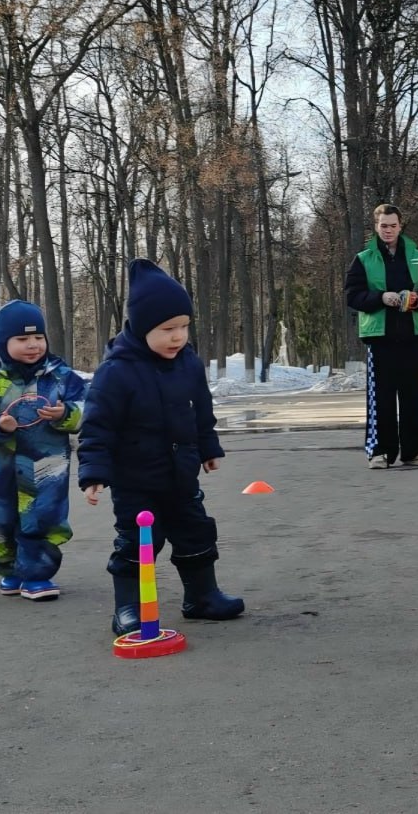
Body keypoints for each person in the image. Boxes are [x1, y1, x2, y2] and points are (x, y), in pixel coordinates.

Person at [78, 259, 243, 636]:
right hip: (135, 481)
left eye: (184, 326)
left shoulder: (188, 364)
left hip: (181, 474)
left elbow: (201, 410)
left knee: (196, 531)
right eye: (167, 329)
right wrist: (94, 472)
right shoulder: (116, 371)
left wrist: (208, 448)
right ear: (142, 327)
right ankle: (128, 608)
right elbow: (97, 427)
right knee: (138, 543)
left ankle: (202, 596)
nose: (177, 337)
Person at [0, 300, 87, 601]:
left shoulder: (61, 376)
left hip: (46, 469)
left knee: (42, 519)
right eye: (22, 338)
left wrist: (66, 413)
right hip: (0, 468)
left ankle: (37, 575)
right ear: (2, 343)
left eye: (38, 337)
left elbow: (89, 408)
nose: (33, 345)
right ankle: (11, 570)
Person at [344, 203, 418, 469]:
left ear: (400, 226)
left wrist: (417, 299)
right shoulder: (363, 259)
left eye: (393, 225)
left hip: (410, 336)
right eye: (383, 225)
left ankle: (415, 450)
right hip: (379, 338)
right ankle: (380, 451)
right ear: (376, 227)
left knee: (413, 396)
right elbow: (353, 295)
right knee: (381, 397)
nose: (388, 230)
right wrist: (380, 298)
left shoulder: (417, 257)